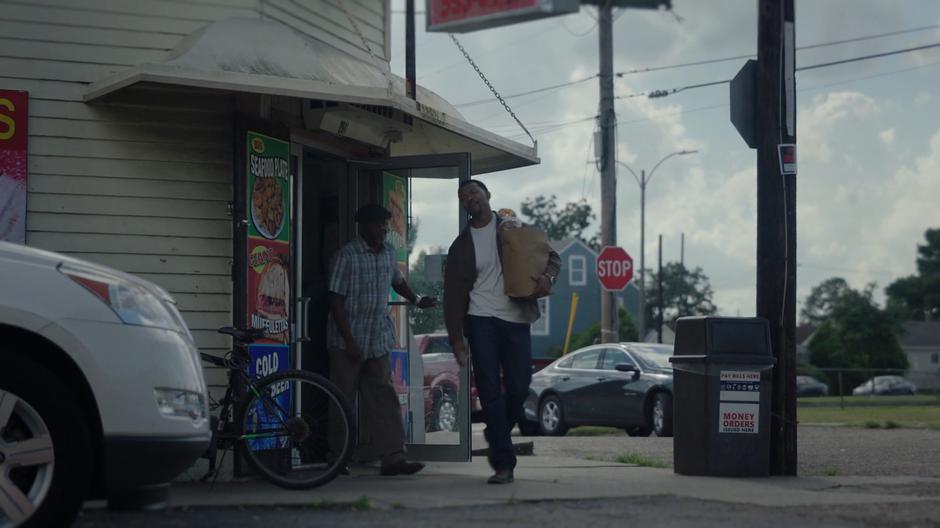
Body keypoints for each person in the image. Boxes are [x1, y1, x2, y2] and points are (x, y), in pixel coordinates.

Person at [443, 180, 560, 484]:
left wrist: (547, 278)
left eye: (474, 192)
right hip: (480, 319)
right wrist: (456, 338)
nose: (469, 198)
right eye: (463, 196)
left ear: (488, 196)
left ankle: (496, 431)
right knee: (489, 392)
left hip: (516, 318)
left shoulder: (511, 227)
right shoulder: (461, 246)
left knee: (521, 385)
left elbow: (551, 257)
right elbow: (453, 295)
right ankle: (504, 464)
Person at [327, 204, 436, 476]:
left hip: (377, 337)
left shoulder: (388, 253)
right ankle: (337, 458)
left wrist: (417, 300)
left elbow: (397, 282)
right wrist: (349, 341)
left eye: (385, 225)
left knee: (384, 397)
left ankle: (393, 457)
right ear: (363, 226)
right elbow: (335, 302)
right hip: (347, 342)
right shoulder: (347, 256)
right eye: (378, 224)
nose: (384, 229)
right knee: (342, 399)